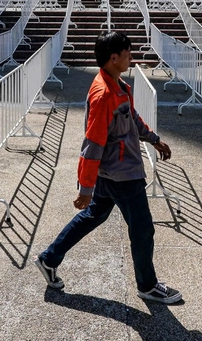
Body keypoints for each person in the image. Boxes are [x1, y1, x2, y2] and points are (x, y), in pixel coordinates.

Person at [36, 31, 181, 304]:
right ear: (114, 58)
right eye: (127, 54)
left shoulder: (117, 85)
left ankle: (48, 258)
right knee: (142, 229)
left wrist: (154, 139)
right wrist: (85, 188)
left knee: (94, 216)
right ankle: (147, 285)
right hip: (122, 174)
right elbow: (92, 144)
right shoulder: (104, 94)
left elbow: (132, 118)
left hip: (115, 170)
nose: (131, 58)